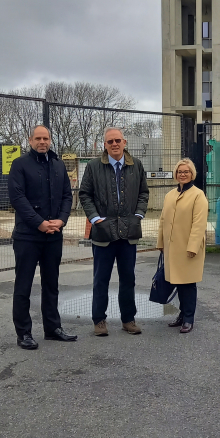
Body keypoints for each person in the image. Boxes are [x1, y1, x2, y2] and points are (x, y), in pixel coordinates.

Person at [8, 124, 77, 350]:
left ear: (50, 140)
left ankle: (52, 328)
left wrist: (62, 220)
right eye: (38, 138)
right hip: (27, 237)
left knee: (51, 284)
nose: (42, 142)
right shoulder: (19, 165)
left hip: (53, 236)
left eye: (45, 138)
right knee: (23, 286)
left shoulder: (57, 165)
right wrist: (39, 223)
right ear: (30, 141)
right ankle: (24, 333)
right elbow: (18, 199)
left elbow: (67, 196)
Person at [79, 127, 149, 336]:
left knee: (128, 279)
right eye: (110, 141)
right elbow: (85, 194)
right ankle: (99, 320)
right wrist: (95, 218)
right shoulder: (93, 167)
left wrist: (138, 215)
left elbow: (143, 193)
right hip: (103, 233)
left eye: (118, 140)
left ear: (124, 142)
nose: (114, 144)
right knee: (101, 279)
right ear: (105, 145)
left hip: (129, 233)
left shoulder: (136, 165)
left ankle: (128, 319)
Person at [157, 158, 208, 333]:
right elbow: (163, 220)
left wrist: (193, 246)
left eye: (186, 171)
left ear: (192, 173)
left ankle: (189, 318)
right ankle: (181, 315)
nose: (183, 174)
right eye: (180, 172)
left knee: (188, 284)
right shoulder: (170, 195)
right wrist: (161, 242)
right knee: (178, 283)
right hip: (173, 249)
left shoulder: (198, 195)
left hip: (188, 249)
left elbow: (199, 223)